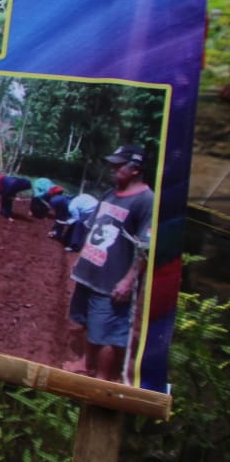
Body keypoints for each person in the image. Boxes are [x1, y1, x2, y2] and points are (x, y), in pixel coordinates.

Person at [65, 144, 153, 383]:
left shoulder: (146, 201)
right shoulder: (110, 194)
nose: (113, 168)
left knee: (107, 334)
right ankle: (85, 364)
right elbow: (93, 228)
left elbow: (146, 247)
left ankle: (102, 380)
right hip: (90, 273)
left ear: (135, 169)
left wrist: (128, 280)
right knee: (83, 324)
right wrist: (80, 259)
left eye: (119, 165)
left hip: (112, 282)